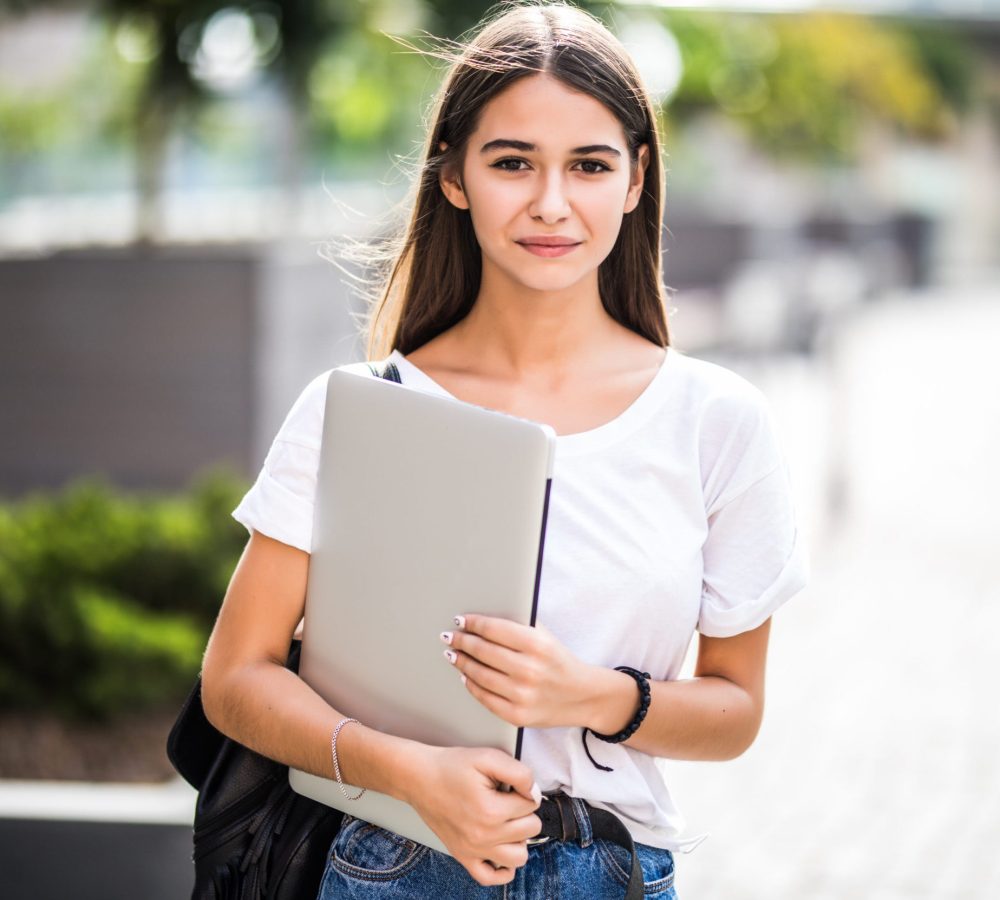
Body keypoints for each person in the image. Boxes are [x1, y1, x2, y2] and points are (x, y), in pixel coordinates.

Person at [200, 2, 810, 898]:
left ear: (637, 180)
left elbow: (736, 710)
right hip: (388, 864)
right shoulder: (363, 411)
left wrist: (592, 695)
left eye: (590, 165)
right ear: (453, 177)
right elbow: (235, 678)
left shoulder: (716, 420)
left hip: (613, 870)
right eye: (512, 162)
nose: (551, 203)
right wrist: (407, 772)